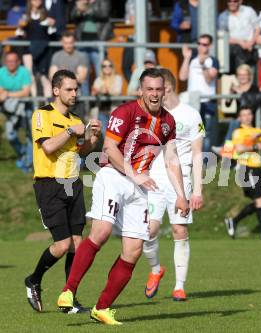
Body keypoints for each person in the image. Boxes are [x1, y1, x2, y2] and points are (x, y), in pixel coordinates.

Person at [57, 68, 190, 325]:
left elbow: (172, 159)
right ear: (140, 90)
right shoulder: (125, 112)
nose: (154, 94)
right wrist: (134, 174)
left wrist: (181, 195)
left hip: (140, 187)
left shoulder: (168, 122)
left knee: (133, 250)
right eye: (149, 89)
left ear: (165, 91)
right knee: (102, 232)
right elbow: (109, 148)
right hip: (114, 176)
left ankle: (102, 308)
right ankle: (68, 291)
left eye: (158, 89)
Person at [25, 69, 101, 313]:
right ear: (56, 90)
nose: (74, 93)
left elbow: (80, 153)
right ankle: (34, 280)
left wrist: (93, 139)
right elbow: (47, 147)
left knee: (78, 244)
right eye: (69, 89)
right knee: (62, 244)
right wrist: (70, 132)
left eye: (76, 89)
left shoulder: (76, 119)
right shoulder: (42, 115)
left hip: (73, 183)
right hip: (49, 184)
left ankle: (68, 299)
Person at [142, 68, 204, 302]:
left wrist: (197, 190)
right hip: (154, 179)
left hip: (182, 179)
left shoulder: (190, 115)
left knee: (180, 230)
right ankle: (156, 269)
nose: (154, 94)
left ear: (168, 87)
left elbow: (198, 153)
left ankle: (179, 286)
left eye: (158, 88)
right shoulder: (151, 115)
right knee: (149, 230)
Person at [224, 105, 261, 241]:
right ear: (240, 117)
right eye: (244, 115)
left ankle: (234, 221)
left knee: (260, 201)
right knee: (260, 200)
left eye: (249, 114)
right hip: (245, 168)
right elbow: (239, 148)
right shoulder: (238, 132)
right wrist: (253, 143)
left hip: (257, 168)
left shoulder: (256, 130)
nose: (247, 117)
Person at [179, 34, 219, 152]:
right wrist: (186, 57)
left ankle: (204, 162)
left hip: (207, 102)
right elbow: (182, 77)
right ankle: (193, 159)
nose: (201, 47)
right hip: (193, 103)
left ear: (210, 46)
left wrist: (203, 65)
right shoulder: (192, 59)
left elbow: (209, 79)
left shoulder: (213, 60)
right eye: (199, 44)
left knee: (205, 132)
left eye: (204, 44)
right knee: (193, 132)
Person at [0, 51, 32, 172]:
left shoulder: (24, 72)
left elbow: (26, 92)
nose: (11, 63)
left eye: (14, 61)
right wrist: (16, 94)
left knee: (30, 135)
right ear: (5, 62)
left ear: (18, 62)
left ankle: (29, 161)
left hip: (25, 107)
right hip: (9, 111)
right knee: (10, 136)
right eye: (9, 61)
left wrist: (7, 93)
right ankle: (23, 153)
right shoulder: (1, 72)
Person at [17, 0, 56, 97]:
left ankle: (47, 107)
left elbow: (52, 34)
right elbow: (20, 34)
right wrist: (20, 27)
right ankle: (35, 104)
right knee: (31, 77)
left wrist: (52, 25)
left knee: (44, 77)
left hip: (44, 50)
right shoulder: (25, 15)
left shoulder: (46, 14)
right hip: (29, 50)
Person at [70, 0, 113, 78]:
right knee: (82, 75)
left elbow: (104, 13)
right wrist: (78, 9)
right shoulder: (81, 1)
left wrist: (86, 8)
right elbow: (72, 16)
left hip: (98, 41)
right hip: (82, 42)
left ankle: (100, 90)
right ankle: (83, 91)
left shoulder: (103, 1)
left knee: (100, 73)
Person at [218, 0, 258, 73]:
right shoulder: (223, 17)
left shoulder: (249, 11)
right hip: (233, 49)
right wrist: (240, 42)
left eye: (235, 1)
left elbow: (258, 28)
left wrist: (251, 42)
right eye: (229, 1)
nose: (232, 3)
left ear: (240, 1)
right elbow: (223, 37)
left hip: (251, 47)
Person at [49, 31, 89, 97]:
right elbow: (52, 76)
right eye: (66, 43)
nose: (68, 46)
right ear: (62, 42)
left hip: (76, 91)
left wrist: (64, 74)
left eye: (70, 43)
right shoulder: (56, 56)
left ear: (74, 42)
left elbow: (82, 78)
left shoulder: (81, 56)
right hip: (60, 91)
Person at [91, 58, 123, 134]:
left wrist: (105, 90)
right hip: (101, 111)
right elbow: (93, 92)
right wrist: (102, 90)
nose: (107, 67)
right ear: (101, 68)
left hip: (115, 112)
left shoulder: (117, 78)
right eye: (104, 66)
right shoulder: (98, 79)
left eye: (110, 65)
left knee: (114, 134)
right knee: (105, 135)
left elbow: (117, 92)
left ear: (113, 67)